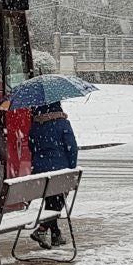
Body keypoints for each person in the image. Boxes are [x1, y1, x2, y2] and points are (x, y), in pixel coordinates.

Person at [26, 101, 79, 248]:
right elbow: (72, 148)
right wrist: (71, 167)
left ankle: (56, 234)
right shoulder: (63, 124)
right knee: (58, 200)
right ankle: (42, 229)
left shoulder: (35, 125)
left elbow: (31, 146)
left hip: (40, 171)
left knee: (51, 201)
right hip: (59, 170)